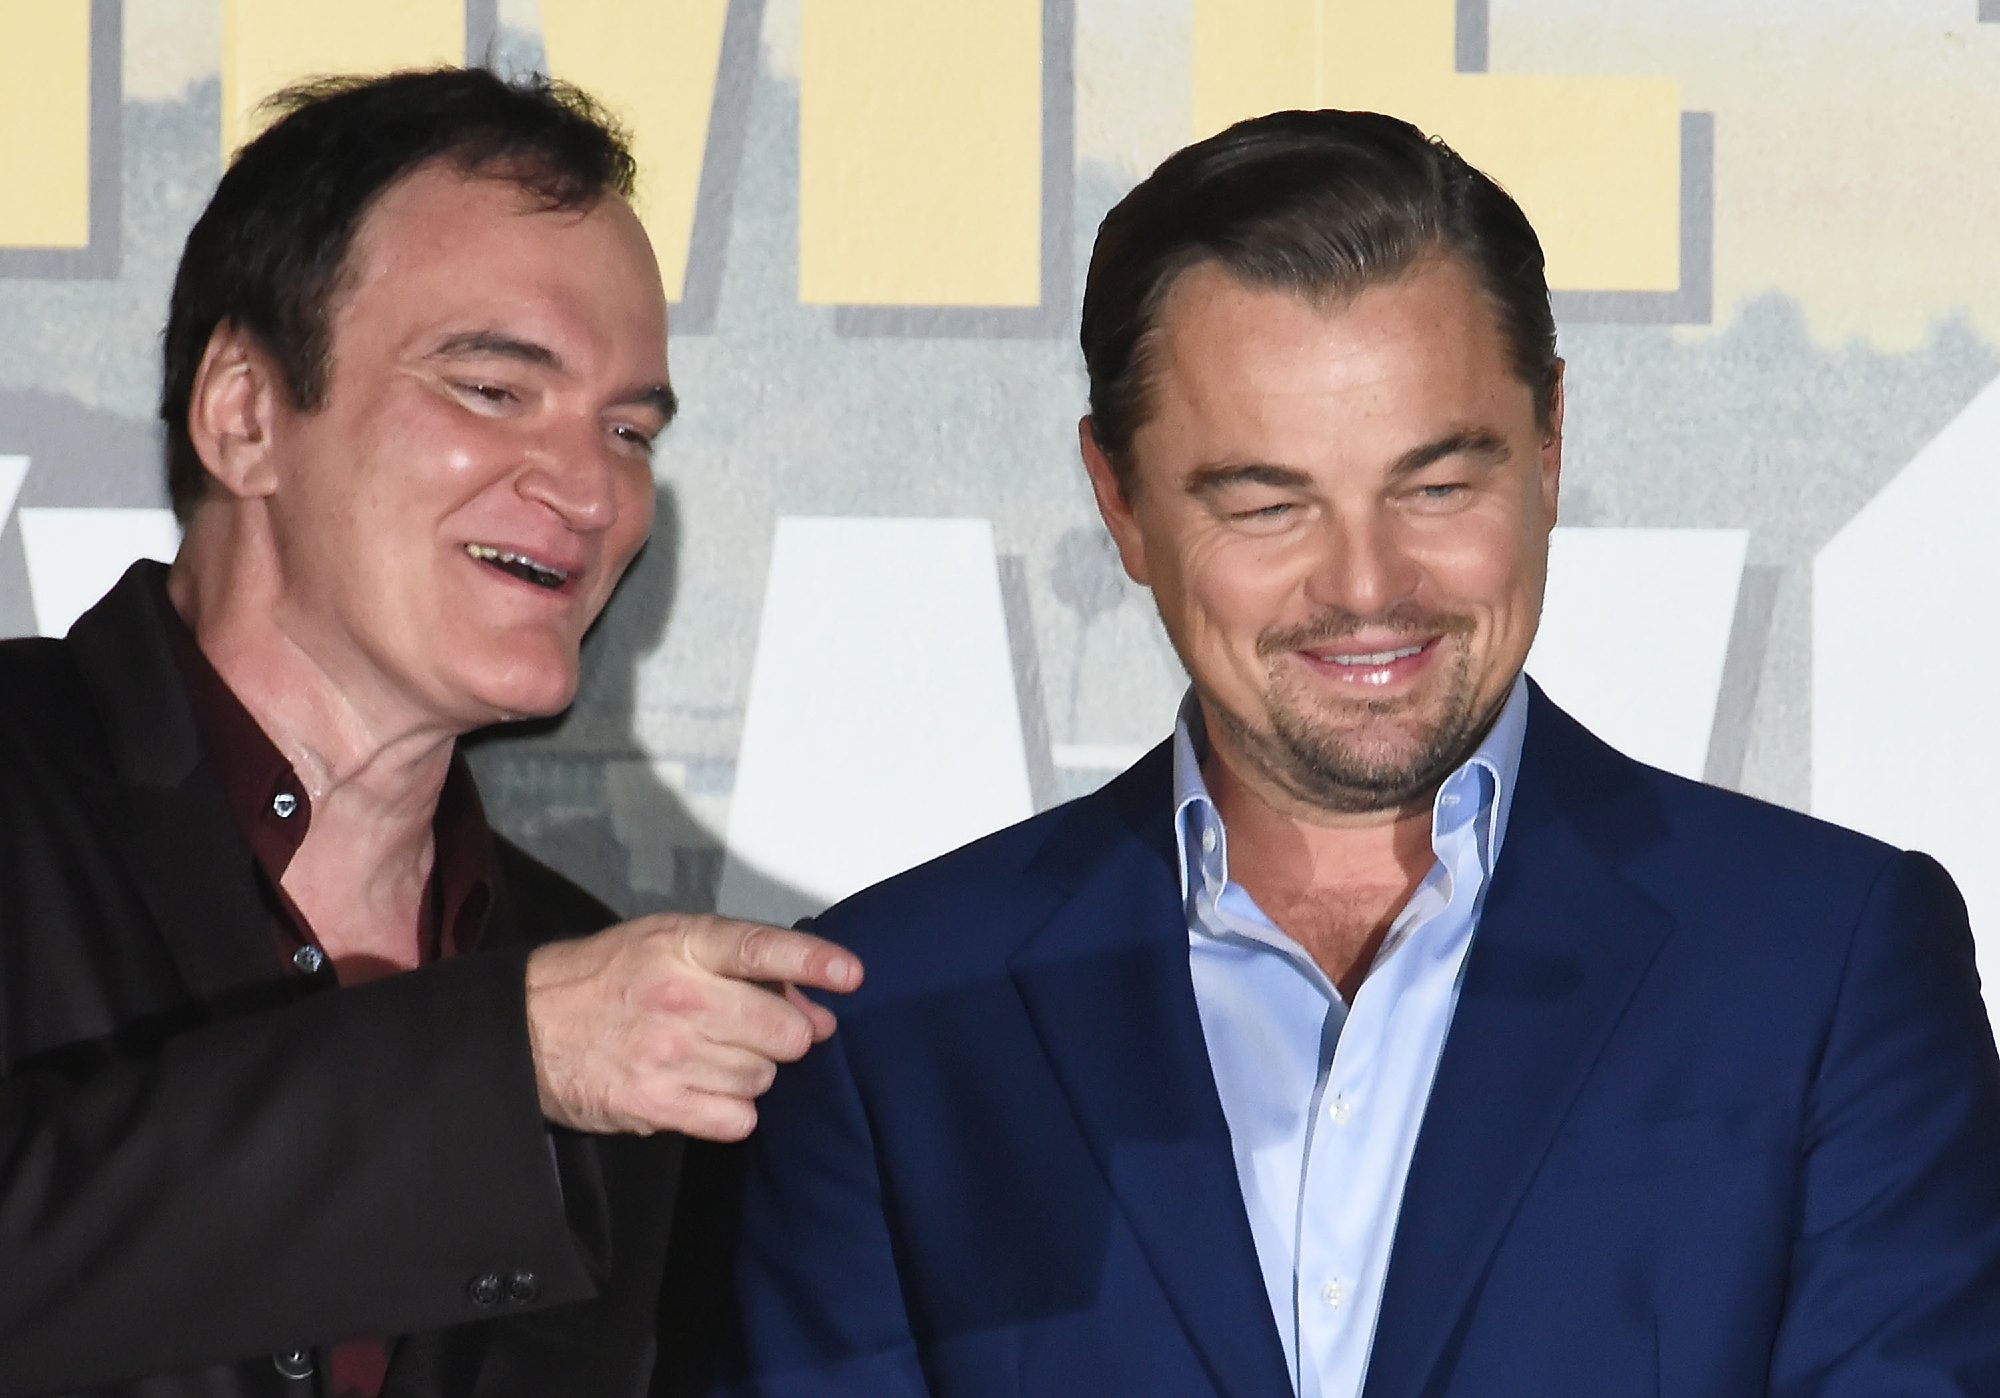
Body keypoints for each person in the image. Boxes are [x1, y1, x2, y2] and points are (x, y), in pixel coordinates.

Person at [706, 110, 2000, 1396]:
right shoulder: (894, 1023)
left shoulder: (1825, 966)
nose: (1368, 584)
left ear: (1550, 445)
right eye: (1269, 505)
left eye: (1436, 488)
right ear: (1120, 501)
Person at [0, 68, 858, 1397]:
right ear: (245, 413)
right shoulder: (560, 1025)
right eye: (494, 389)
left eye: (629, 430)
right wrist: (499, 1072)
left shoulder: (597, 990)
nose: (591, 490)